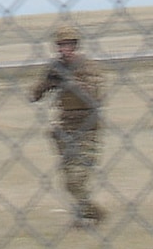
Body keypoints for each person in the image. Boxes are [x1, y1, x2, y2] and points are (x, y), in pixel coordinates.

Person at [30, 25, 106, 226]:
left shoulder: (88, 67)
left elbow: (94, 96)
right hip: (65, 129)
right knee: (68, 182)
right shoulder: (56, 68)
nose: (65, 49)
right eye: (61, 45)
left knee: (77, 179)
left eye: (69, 45)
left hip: (87, 128)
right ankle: (87, 214)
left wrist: (70, 82)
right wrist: (48, 82)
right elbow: (33, 96)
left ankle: (92, 214)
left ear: (76, 45)